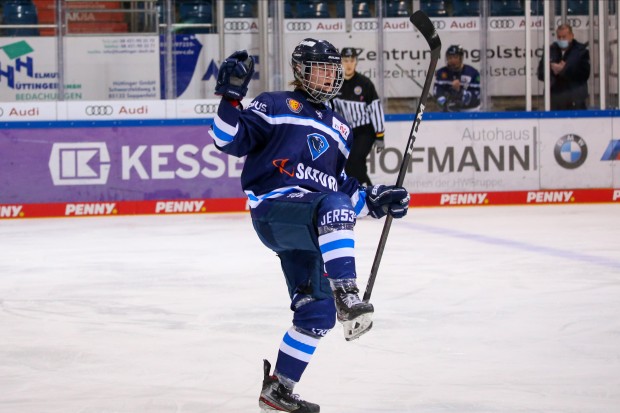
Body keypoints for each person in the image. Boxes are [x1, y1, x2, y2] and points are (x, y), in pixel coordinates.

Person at [208, 38, 410, 412]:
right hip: (274, 208)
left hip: (311, 220)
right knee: (332, 208)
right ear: (301, 71)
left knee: (316, 314)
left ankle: (279, 390)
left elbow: (340, 188)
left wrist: (376, 198)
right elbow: (225, 138)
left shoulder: (341, 128)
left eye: (333, 68)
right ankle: (348, 293)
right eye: (321, 67)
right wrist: (230, 98)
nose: (330, 75)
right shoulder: (274, 103)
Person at [331, 47, 386, 186]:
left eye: (351, 60)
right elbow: (328, 108)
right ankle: (365, 191)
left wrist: (380, 135)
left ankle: (367, 189)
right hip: (345, 133)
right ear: (340, 62)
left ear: (356, 62)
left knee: (354, 160)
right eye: (345, 60)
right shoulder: (334, 84)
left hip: (365, 131)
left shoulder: (365, 83)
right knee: (351, 164)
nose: (348, 64)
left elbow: (375, 108)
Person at [537, 23, 590, 110]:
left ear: (572, 36)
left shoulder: (581, 51)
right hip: (555, 99)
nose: (561, 39)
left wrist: (564, 70)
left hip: (575, 99)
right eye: (559, 37)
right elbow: (540, 73)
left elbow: (585, 74)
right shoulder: (550, 50)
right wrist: (552, 70)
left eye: (564, 37)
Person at [433, 45, 481, 112]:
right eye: (450, 57)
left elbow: (478, 94)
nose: (452, 61)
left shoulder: (472, 73)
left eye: (455, 57)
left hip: (471, 111)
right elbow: (438, 91)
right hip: (450, 111)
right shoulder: (441, 73)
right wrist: (443, 100)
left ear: (461, 58)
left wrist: (461, 93)